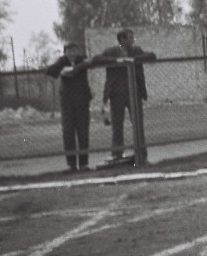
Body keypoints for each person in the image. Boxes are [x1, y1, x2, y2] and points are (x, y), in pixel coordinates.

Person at [92, 29, 157, 164]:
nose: (133, 40)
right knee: (117, 125)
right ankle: (117, 155)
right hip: (117, 94)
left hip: (134, 93)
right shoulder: (111, 51)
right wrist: (118, 60)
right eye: (130, 37)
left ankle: (141, 156)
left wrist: (132, 60)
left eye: (133, 37)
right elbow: (96, 59)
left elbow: (151, 56)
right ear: (122, 39)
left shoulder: (136, 50)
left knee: (138, 124)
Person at [45, 42, 93, 173]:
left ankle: (84, 163)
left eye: (74, 50)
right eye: (69, 51)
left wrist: (74, 69)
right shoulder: (62, 61)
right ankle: (71, 165)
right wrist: (62, 71)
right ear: (65, 53)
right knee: (68, 133)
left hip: (82, 101)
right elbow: (49, 70)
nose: (72, 54)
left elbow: (91, 62)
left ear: (78, 51)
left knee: (83, 132)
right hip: (67, 102)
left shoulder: (82, 59)